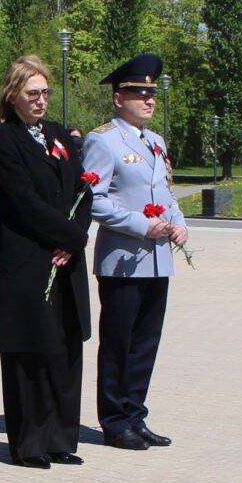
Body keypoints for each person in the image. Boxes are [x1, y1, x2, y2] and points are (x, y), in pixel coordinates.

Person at [0, 58, 91, 468]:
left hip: (64, 259)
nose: (41, 101)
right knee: (31, 350)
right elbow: (22, 202)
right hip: (27, 258)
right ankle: (30, 443)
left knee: (63, 347)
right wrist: (69, 237)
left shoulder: (59, 135)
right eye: (32, 94)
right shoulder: (4, 141)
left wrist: (74, 240)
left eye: (45, 93)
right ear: (13, 95)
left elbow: (83, 189)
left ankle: (61, 438)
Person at [84, 55, 190, 450]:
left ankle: (135, 414)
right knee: (119, 342)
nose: (148, 101)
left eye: (152, 94)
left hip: (158, 258)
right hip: (123, 260)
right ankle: (114, 420)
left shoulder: (156, 142)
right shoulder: (104, 140)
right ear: (117, 98)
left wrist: (179, 223)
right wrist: (143, 225)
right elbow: (94, 200)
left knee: (146, 342)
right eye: (139, 94)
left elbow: (165, 193)